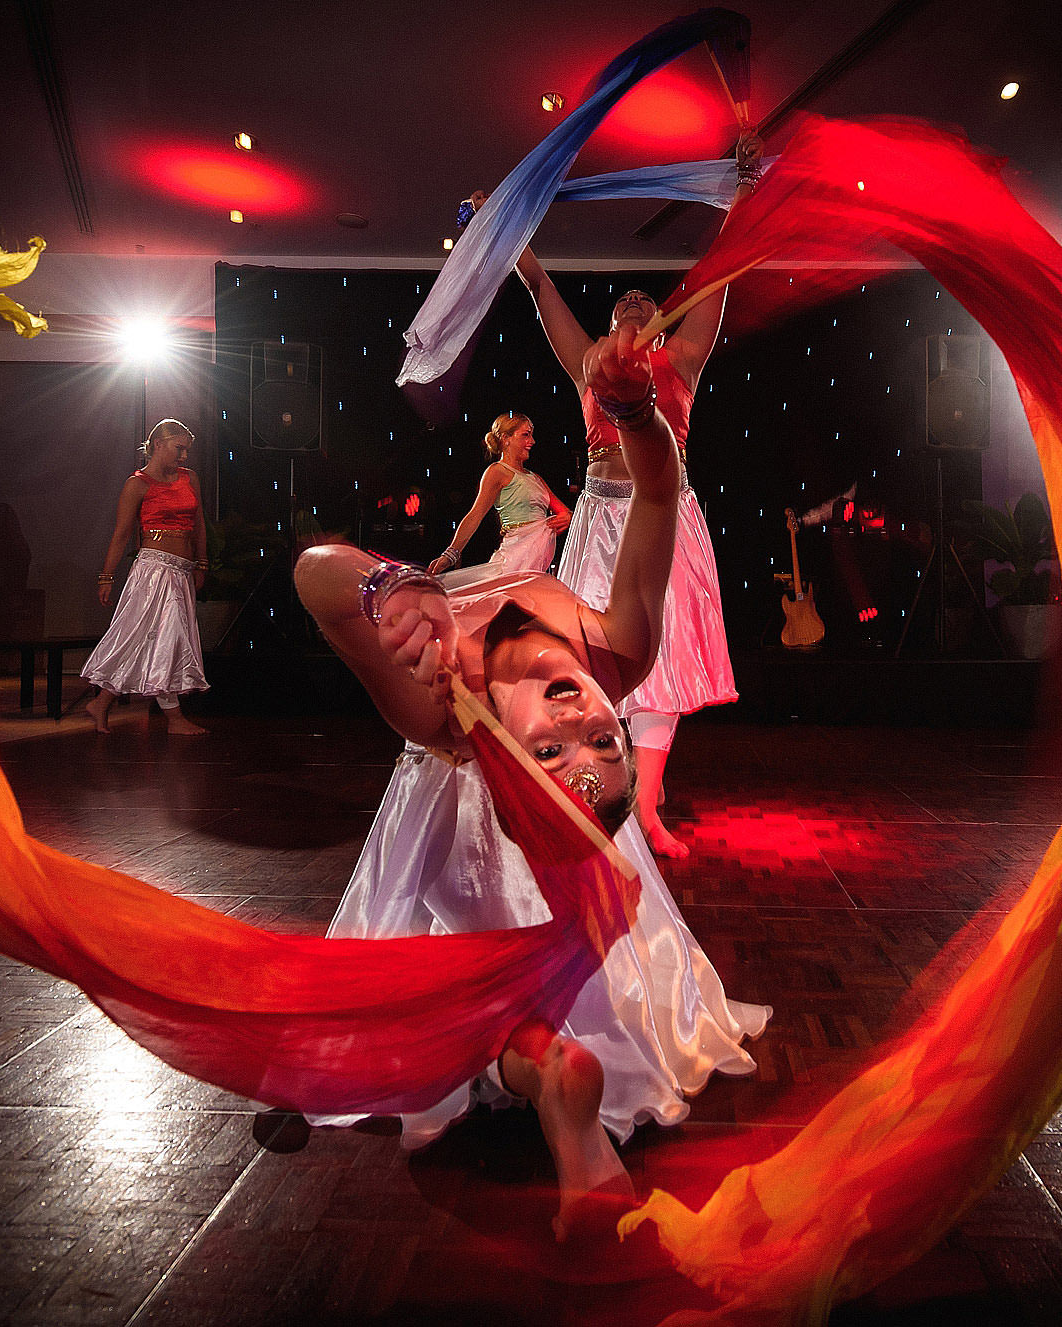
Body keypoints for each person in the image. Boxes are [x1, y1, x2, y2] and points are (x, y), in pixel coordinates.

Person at [295, 325, 767, 1239]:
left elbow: (315, 574)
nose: (576, 720)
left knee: (428, 1010)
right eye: (603, 737)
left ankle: (543, 1069)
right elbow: (661, 490)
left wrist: (381, 589)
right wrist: (631, 406)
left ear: (510, 755)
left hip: (468, 856)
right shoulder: (618, 649)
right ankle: (550, 1070)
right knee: (503, 1005)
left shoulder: (439, 709)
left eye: (553, 750)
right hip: (564, 862)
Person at [495, 130, 760, 859]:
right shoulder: (588, 364)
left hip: (667, 516)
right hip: (601, 520)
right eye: (625, 298)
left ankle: (644, 805)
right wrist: (506, 227)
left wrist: (740, 196)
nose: (638, 298)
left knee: (666, 654)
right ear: (611, 326)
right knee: (594, 655)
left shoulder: (681, 358)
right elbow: (542, 287)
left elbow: (721, 270)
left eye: (648, 295)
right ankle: (601, 785)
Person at [81, 419, 209, 734]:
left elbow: (200, 523)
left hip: (181, 571)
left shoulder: (189, 479)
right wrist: (106, 577)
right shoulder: (137, 484)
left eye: (186, 451)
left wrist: (202, 564)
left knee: (154, 639)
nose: (183, 457)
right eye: (179, 449)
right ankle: (174, 720)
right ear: (157, 445)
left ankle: (101, 703)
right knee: (161, 639)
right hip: (153, 571)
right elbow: (122, 533)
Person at [428, 411, 571, 577]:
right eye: (525, 435)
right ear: (505, 438)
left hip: (537, 564)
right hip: (514, 560)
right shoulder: (497, 472)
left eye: (531, 435)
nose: (532, 441)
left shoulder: (535, 478)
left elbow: (564, 511)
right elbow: (475, 515)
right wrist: (451, 554)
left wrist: (567, 516)